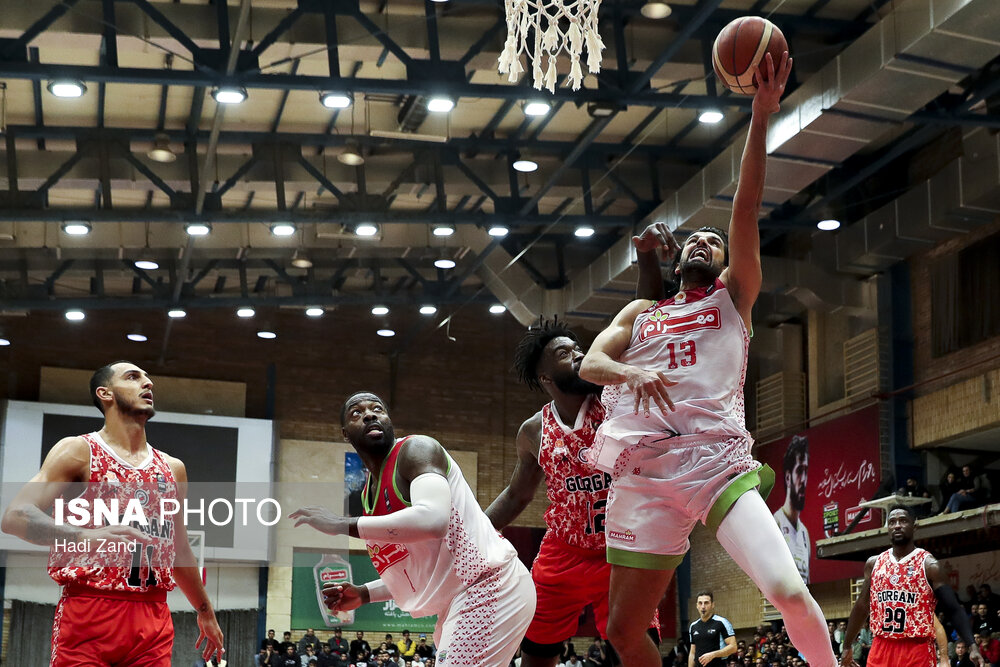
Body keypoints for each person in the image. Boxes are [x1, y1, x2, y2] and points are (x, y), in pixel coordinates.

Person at [579, 53, 832, 667]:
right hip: (644, 471)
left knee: (788, 592)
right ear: (675, 261)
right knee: (621, 629)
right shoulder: (642, 313)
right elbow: (589, 364)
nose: (702, 240)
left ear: (723, 263)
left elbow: (745, 205)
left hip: (715, 460)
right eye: (693, 238)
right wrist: (630, 371)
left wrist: (761, 116)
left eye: (712, 241)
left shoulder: (732, 299)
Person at [485, 223, 677, 667]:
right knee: (536, 652)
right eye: (565, 353)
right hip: (563, 552)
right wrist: (471, 534)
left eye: (578, 347)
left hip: (621, 545)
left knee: (631, 643)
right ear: (547, 379)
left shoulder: (612, 396)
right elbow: (518, 493)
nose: (578, 353)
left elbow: (644, 314)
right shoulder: (533, 431)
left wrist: (646, 256)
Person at [0, 360, 225, 666]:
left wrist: (206, 612)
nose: (148, 383)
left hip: (153, 617)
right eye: (133, 377)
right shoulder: (78, 451)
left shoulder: (173, 469)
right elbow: (15, 516)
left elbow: (179, 551)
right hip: (89, 611)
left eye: (147, 378)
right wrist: (84, 535)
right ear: (105, 393)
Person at [290, 392, 536, 667]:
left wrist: (341, 525)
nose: (370, 414)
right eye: (357, 413)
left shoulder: (416, 450)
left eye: (377, 409)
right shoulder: (369, 498)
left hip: (489, 585)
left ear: (389, 420)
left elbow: (433, 520)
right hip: (458, 601)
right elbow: (419, 572)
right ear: (345, 433)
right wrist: (365, 594)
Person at [840, 505, 983, 667]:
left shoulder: (929, 565)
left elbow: (953, 609)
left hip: (916, 647)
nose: (897, 525)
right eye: (892, 522)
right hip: (881, 646)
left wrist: (972, 645)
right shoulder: (874, 564)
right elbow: (862, 606)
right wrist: (847, 645)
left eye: (903, 520)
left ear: (914, 526)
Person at [773, 435, 810, 584]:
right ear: (788, 478)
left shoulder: (804, 533)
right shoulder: (776, 523)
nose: (803, 479)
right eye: (799, 471)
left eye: (806, 471)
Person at [688, 592, 736, 667]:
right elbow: (692, 652)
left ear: (712, 605)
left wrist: (713, 655)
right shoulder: (693, 626)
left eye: (706, 603)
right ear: (697, 606)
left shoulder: (721, 622)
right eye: (700, 603)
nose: (703, 606)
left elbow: (733, 647)